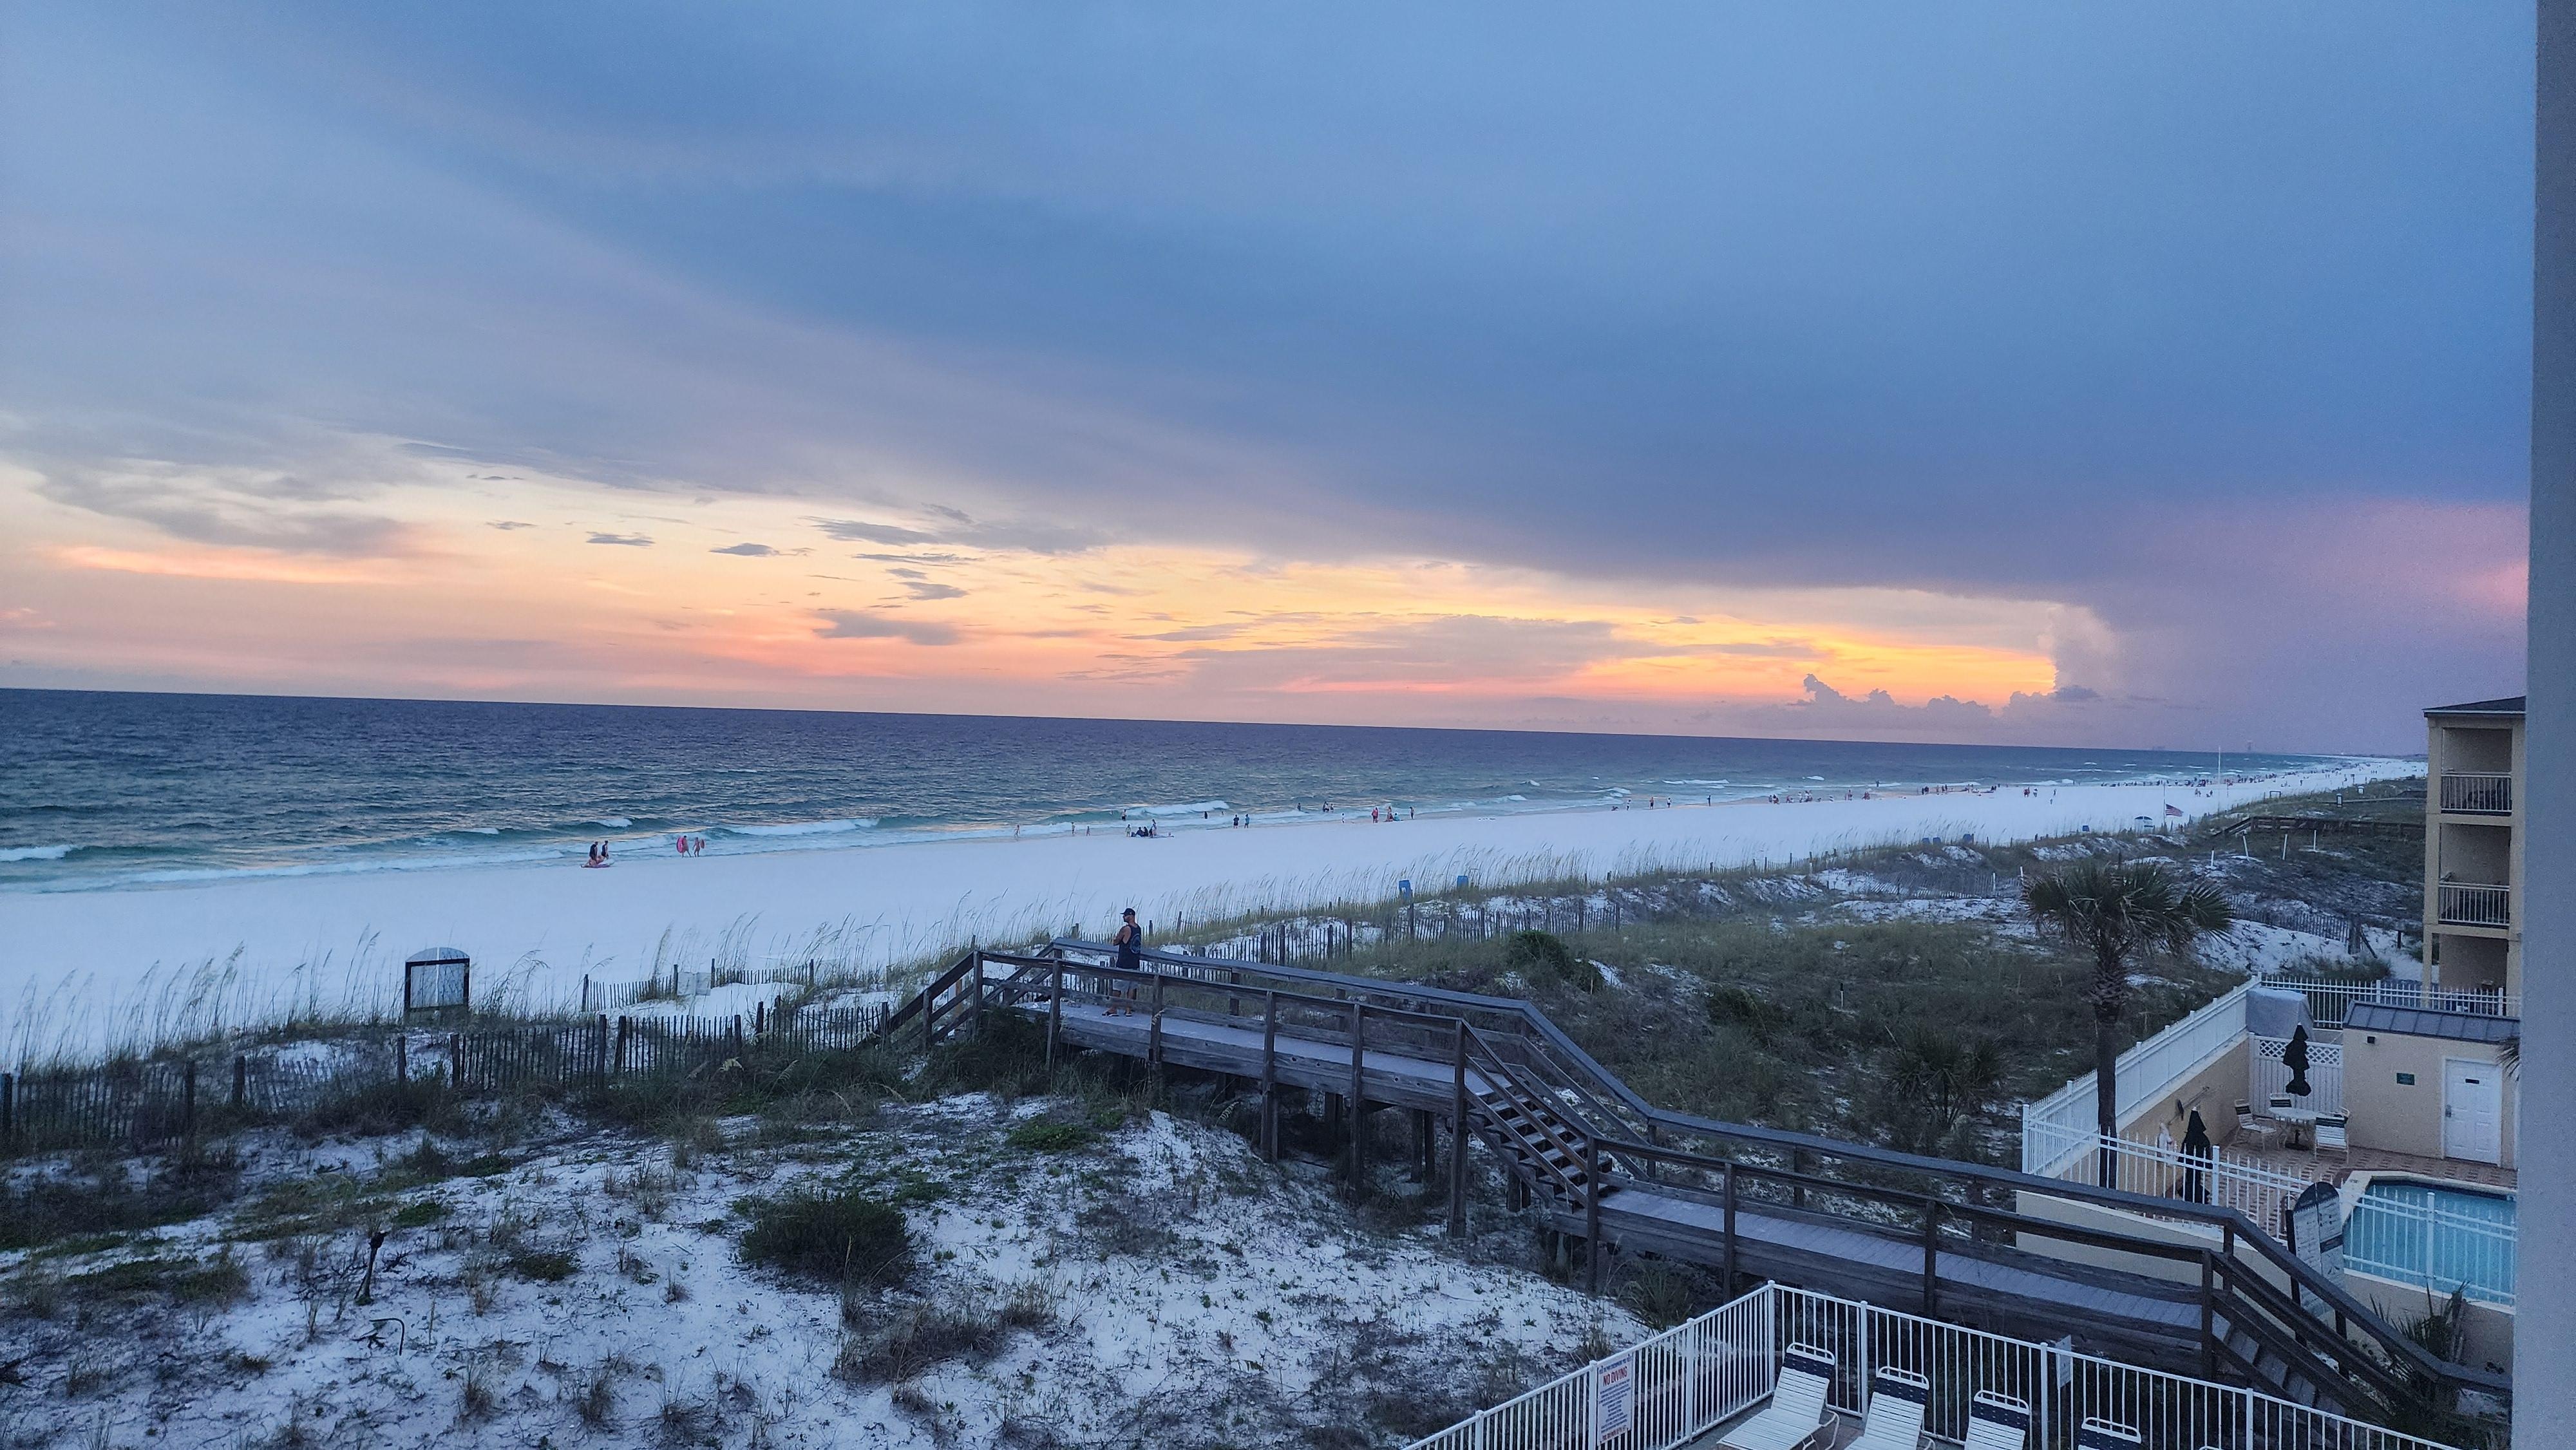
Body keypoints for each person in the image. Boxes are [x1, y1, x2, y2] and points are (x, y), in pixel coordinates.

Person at [1112, 907, 1144, 1015]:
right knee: (1131, 988)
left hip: (1124, 963)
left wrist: (1115, 939)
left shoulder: (1126, 929)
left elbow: (1116, 942)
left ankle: (1114, 1008)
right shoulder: (1138, 929)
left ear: (1130, 916)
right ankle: (1128, 1010)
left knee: (1118, 987)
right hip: (1135, 963)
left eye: (1125, 915)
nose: (1123, 917)